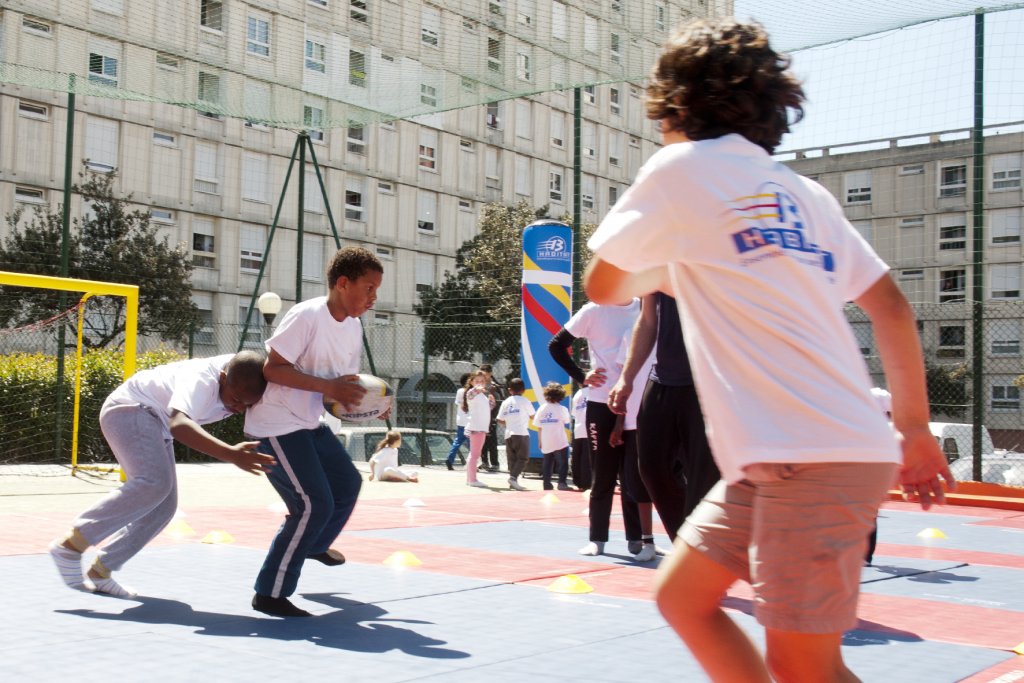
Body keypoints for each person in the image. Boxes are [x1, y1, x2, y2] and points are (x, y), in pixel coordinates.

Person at [584, 18, 953, 683]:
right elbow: (892, 308)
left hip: (814, 454)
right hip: (786, 456)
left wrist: (671, 265)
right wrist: (917, 429)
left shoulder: (680, 168)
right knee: (684, 598)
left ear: (676, 105)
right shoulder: (804, 194)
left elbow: (603, 282)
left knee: (803, 665)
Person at [48, 350, 274, 597]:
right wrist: (232, 454)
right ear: (222, 378)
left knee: (163, 508)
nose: (239, 408)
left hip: (155, 423)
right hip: (130, 410)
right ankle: (69, 546)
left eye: (246, 404)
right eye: (236, 399)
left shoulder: (247, 376)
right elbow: (180, 425)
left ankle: (102, 570)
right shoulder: (201, 378)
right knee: (154, 483)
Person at [245, 245, 384, 618]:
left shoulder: (353, 328)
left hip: (309, 422)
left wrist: (365, 403)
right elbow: (273, 370)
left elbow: (339, 386)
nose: (374, 298)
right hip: (276, 424)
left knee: (348, 485)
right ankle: (270, 593)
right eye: (369, 288)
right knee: (312, 505)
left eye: (376, 290)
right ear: (342, 283)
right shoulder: (307, 315)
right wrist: (330, 388)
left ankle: (314, 543)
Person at [608, 292, 718, 541]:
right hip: (663, 379)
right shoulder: (658, 259)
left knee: (703, 480)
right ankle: (687, 545)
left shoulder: (720, 256)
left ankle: (695, 554)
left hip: (709, 381)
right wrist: (626, 378)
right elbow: (648, 320)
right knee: (651, 468)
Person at [548, 299, 643, 556]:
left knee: (633, 475)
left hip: (635, 403)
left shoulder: (644, 307)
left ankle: (637, 538)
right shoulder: (593, 310)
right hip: (601, 401)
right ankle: (597, 538)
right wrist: (581, 377)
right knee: (602, 473)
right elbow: (556, 345)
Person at [609, 327, 662, 562]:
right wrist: (620, 421)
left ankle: (685, 543)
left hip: (668, 416)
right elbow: (624, 378)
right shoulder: (632, 332)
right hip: (635, 421)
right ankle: (647, 540)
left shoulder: (682, 326)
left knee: (677, 483)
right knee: (637, 484)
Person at [497, 377, 535, 491]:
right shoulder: (525, 401)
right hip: (521, 433)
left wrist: (508, 423)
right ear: (524, 390)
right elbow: (533, 415)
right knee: (523, 458)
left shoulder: (506, 402)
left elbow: (499, 419)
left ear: (509, 390)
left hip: (508, 433)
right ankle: (513, 478)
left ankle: (513, 481)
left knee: (512, 458)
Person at [532, 382, 571, 491]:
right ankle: (562, 483)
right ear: (561, 396)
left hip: (546, 439)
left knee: (547, 462)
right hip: (559, 439)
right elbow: (566, 421)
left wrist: (540, 440)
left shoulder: (542, 408)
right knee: (562, 462)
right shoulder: (562, 409)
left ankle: (546, 483)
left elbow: (538, 426)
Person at [463, 369, 495, 488]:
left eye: (482, 381)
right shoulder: (471, 392)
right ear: (471, 382)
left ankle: (470, 479)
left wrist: (492, 402)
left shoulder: (482, 395)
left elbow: (487, 409)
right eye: (477, 381)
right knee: (475, 455)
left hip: (481, 427)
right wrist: (477, 389)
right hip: (476, 427)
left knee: (474, 454)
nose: (480, 383)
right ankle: (472, 479)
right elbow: (471, 395)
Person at [479, 363, 504, 472]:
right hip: (480, 416)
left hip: (491, 416)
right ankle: (484, 462)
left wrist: (496, 416)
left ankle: (495, 463)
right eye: (482, 375)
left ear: (490, 374)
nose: (483, 377)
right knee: (482, 440)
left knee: (492, 440)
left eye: (485, 375)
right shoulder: (478, 385)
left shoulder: (494, 386)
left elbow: (500, 401)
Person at [444, 372, 472, 470]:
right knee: (471, 444)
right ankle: (472, 463)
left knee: (457, 441)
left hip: (460, 420)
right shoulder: (472, 392)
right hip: (470, 421)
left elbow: (458, 403)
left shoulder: (460, 391)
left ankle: (450, 459)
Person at [569, 386, 591, 490]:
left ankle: (578, 482)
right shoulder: (593, 391)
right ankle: (586, 483)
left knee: (577, 456)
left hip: (578, 429)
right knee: (587, 458)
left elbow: (574, 413)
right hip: (590, 429)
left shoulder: (577, 394)